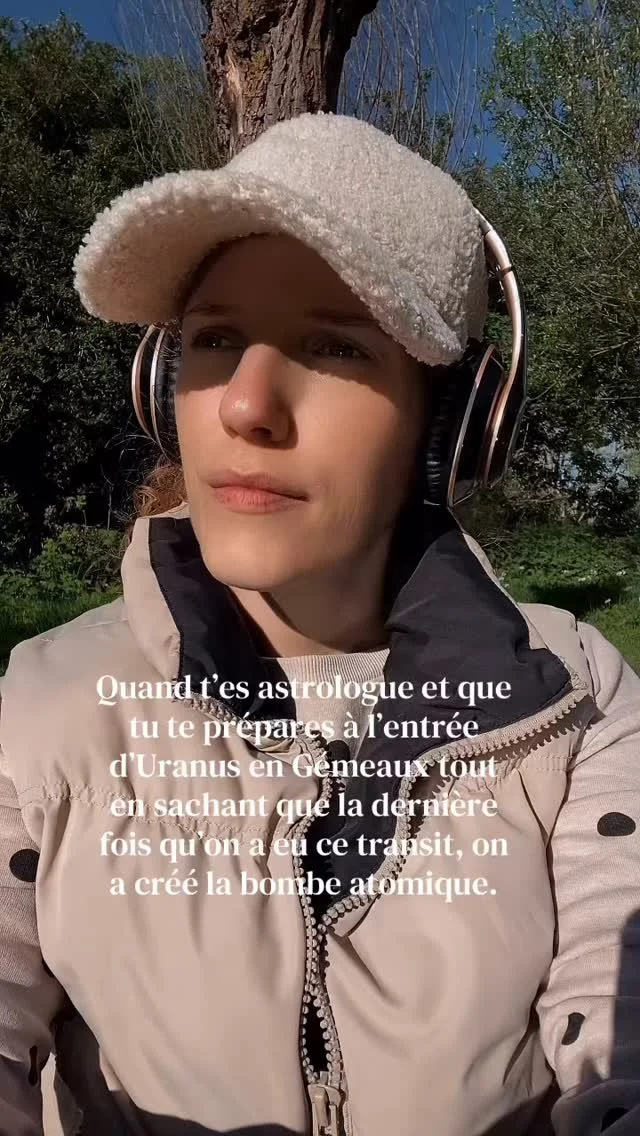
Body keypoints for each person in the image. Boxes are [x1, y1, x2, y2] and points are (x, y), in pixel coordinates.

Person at [0, 111, 638, 1136]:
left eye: (335, 344)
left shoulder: (575, 697)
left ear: (452, 426)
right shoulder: (35, 710)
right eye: (214, 339)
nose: (245, 406)